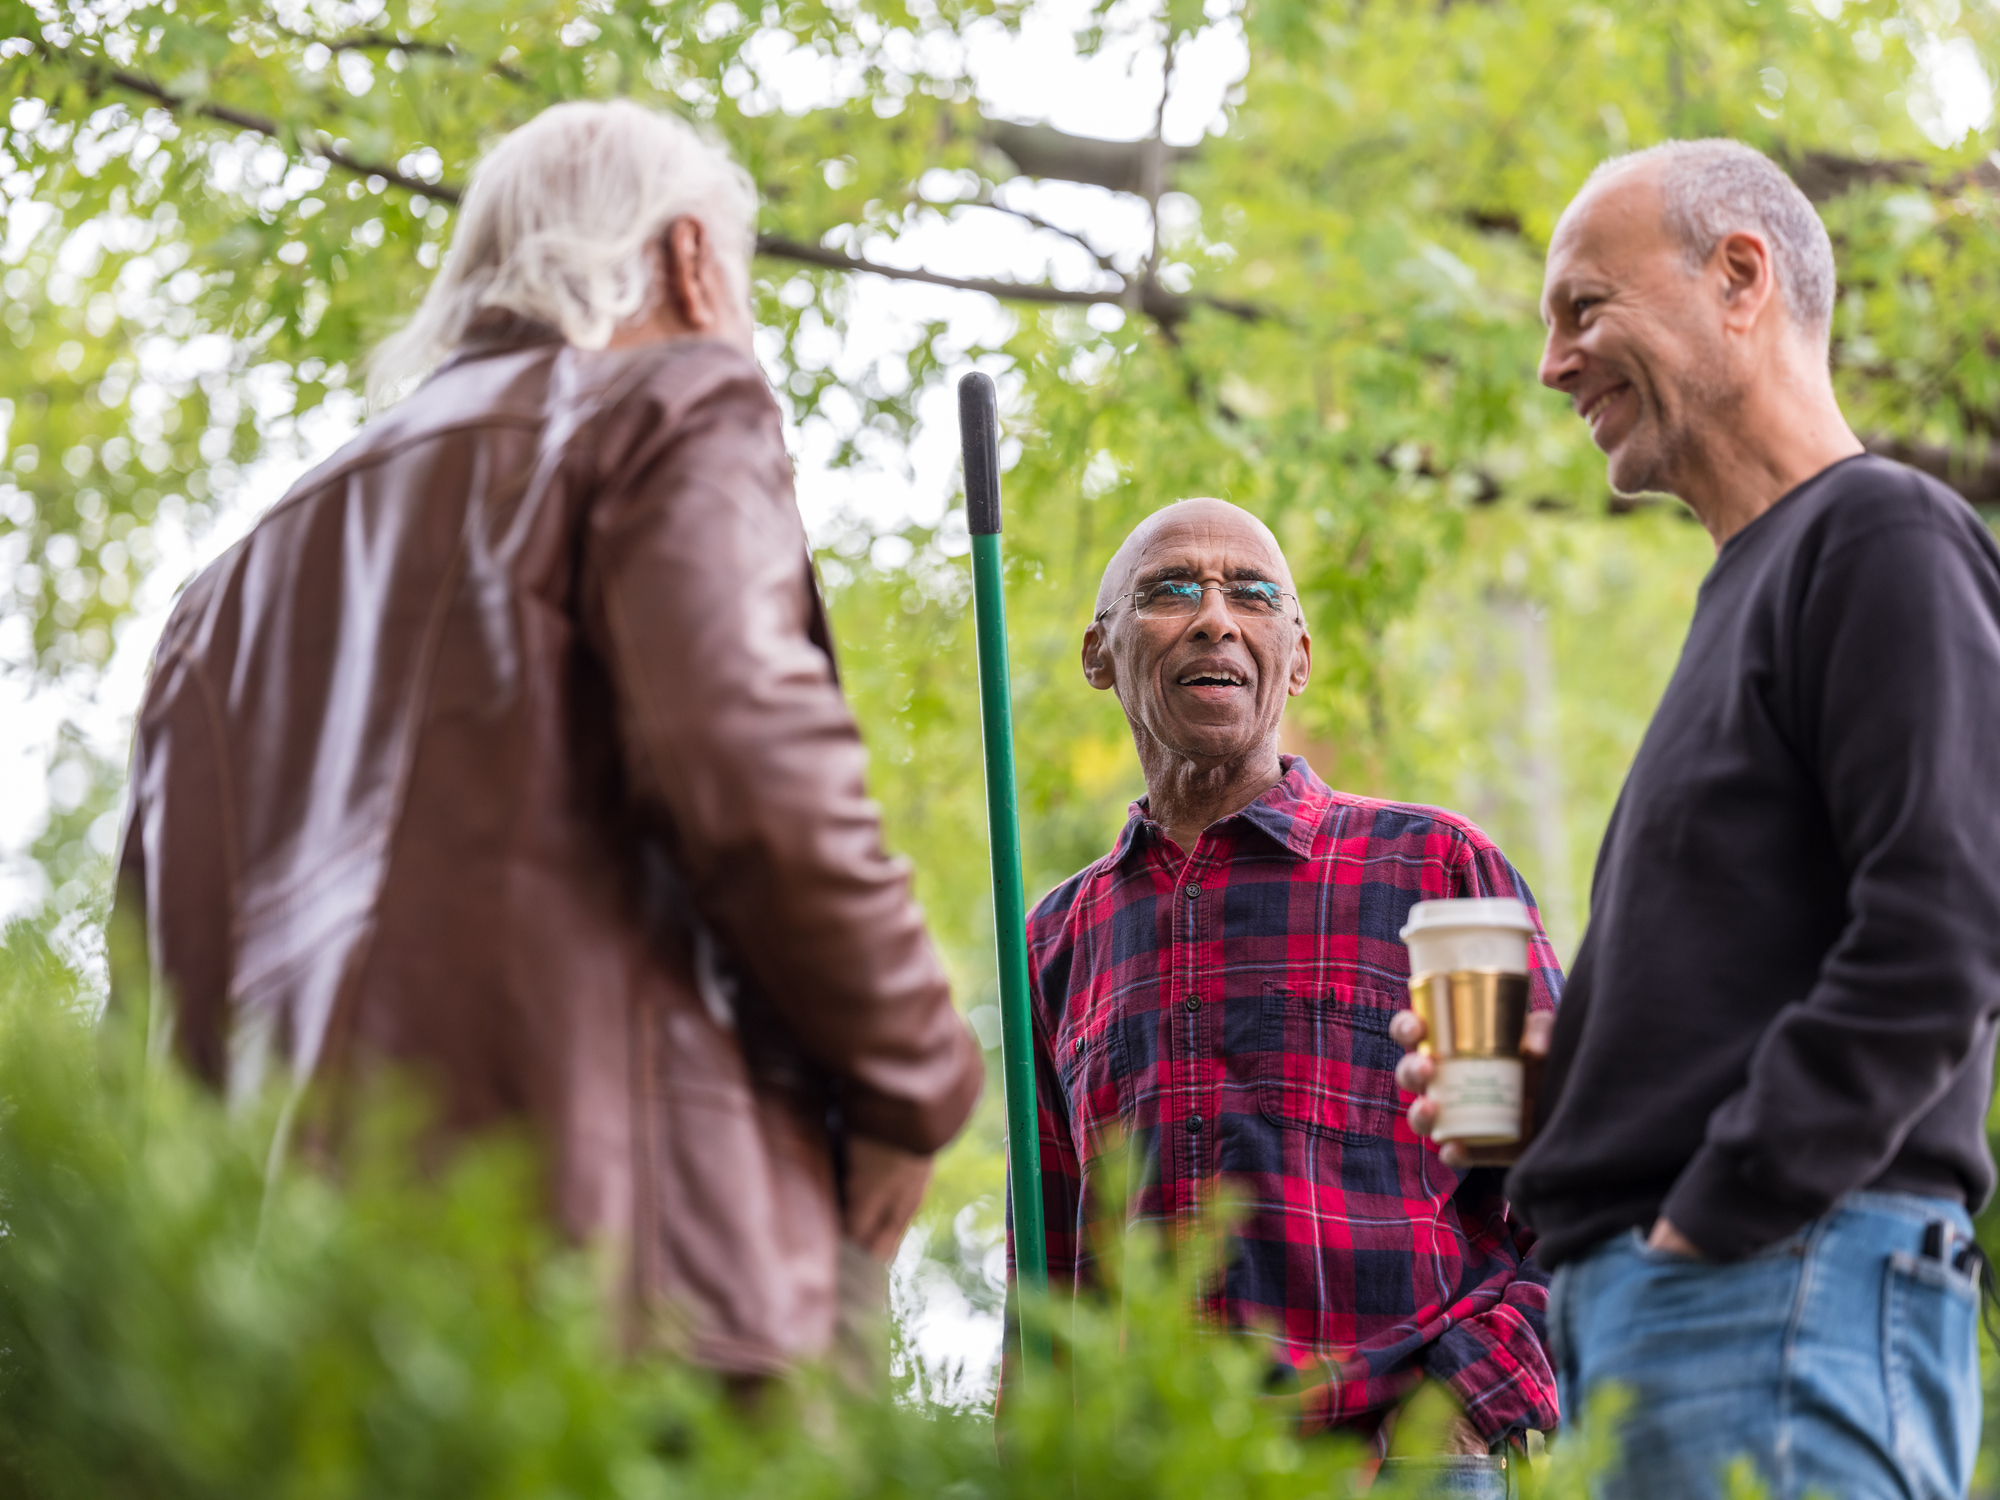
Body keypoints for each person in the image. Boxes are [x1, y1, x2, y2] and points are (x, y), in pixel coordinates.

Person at [109, 100, 984, 1384]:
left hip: (290, 1330)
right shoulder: (667, 407)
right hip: (627, 1283)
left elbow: (155, 1011)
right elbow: (751, 760)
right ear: (689, 263)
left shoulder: (217, 598)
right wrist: (916, 1076)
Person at [1397, 139, 2000, 1499]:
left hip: (1775, 1291)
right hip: (1681, 1309)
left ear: (1740, 276)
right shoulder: (1743, 592)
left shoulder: (1882, 538)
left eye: (1584, 307)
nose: (1553, 364)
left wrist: (1712, 1215)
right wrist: (1564, 1095)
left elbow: (1943, 933)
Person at [1015, 497, 1561, 1491]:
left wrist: (1466, 1414)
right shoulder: (1054, 942)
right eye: (1169, 591)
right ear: (1100, 656)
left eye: (1252, 595)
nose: (1216, 619)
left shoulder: (1433, 872)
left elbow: (1571, 1187)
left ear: (1295, 658)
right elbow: (1045, 1284)